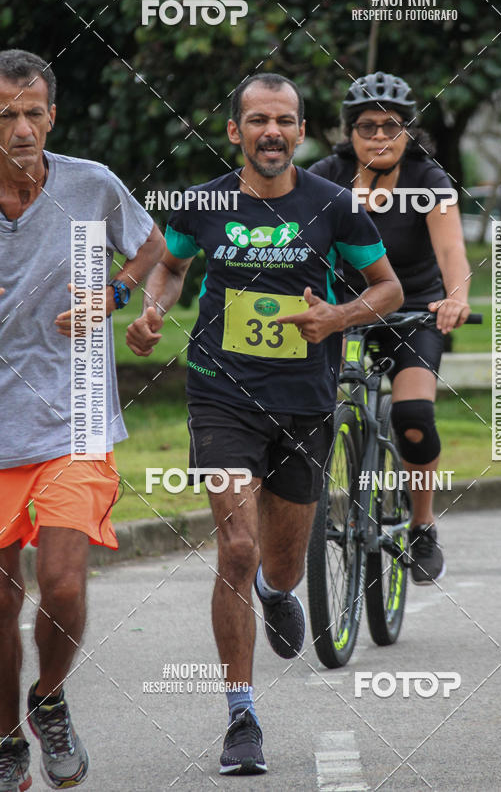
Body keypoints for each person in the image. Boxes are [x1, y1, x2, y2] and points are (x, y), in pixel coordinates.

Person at [126, 72, 403, 776]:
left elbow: (388, 287)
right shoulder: (205, 203)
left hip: (305, 403)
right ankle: (241, 715)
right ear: (235, 131)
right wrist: (156, 308)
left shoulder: (335, 206)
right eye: (257, 120)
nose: (270, 132)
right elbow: (172, 268)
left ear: (301, 132)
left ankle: (278, 595)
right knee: (238, 547)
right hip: (222, 395)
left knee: (278, 565)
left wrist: (337, 317)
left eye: (283, 120)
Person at [0, 49, 164, 791]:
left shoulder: (90, 185)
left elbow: (160, 246)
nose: (22, 127)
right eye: (6, 114)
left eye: (34, 111)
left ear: (53, 116)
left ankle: (50, 699)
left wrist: (122, 295)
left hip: (75, 417)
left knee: (61, 585)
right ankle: (5, 738)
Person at [309, 71, 471, 585]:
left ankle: (422, 526)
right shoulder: (325, 176)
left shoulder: (429, 180)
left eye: (391, 126)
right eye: (366, 126)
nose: (379, 136)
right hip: (342, 308)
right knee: (304, 410)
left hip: (415, 311)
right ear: (348, 131)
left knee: (414, 414)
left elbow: (451, 250)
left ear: (408, 131)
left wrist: (457, 298)